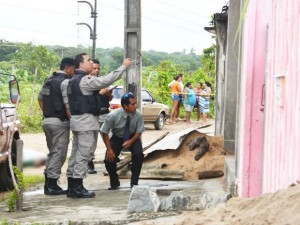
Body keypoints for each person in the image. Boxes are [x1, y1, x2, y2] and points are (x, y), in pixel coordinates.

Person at [64, 53, 133, 198]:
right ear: (81, 64)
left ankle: (72, 185)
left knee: (76, 153)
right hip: (86, 122)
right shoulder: (85, 80)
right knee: (84, 154)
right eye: (88, 60)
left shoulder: (71, 80)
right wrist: (124, 66)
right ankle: (77, 186)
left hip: (77, 121)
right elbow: (106, 80)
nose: (91, 62)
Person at [38, 58, 75, 195]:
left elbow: (40, 98)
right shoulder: (65, 82)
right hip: (60, 122)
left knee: (53, 152)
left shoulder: (48, 80)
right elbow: (67, 104)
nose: (74, 72)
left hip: (47, 121)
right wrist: (72, 119)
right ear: (68, 68)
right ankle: (52, 184)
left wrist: (48, 113)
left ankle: (48, 183)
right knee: (59, 153)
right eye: (73, 69)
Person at [100, 92, 145, 190]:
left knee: (139, 155)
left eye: (135, 103)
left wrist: (130, 142)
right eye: (133, 104)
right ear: (125, 106)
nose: (136, 106)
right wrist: (109, 149)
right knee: (109, 159)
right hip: (117, 137)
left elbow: (139, 131)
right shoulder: (113, 115)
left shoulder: (138, 115)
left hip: (133, 137)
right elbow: (104, 132)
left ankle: (134, 183)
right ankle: (114, 181)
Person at [87, 59, 114, 174]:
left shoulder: (102, 81)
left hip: (104, 113)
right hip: (92, 115)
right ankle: (89, 162)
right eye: (94, 68)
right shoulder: (85, 81)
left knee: (111, 138)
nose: (96, 70)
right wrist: (100, 93)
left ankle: (112, 158)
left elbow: (110, 98)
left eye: (98, 68)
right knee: (91, 141)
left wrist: (108, 93)